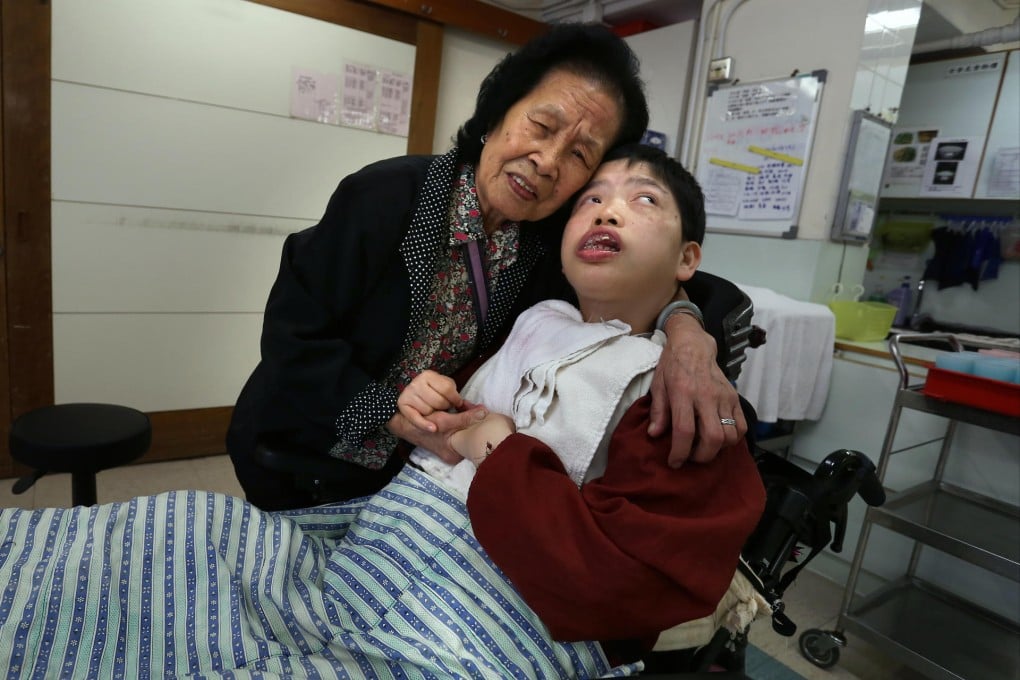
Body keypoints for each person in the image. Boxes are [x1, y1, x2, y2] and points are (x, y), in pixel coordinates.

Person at [0, 146, 764, 679]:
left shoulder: (670, 396)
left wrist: (685, 329)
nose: (603, 208)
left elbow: (621, 583)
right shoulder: (418, 218)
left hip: (472, 608)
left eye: (641, 199)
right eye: (592, 198)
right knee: (176, 534)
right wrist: (433, 410)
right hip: (350, 509)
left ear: (688, 256)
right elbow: (308, 353)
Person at [226, 22, 747, 511]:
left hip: (405, 478)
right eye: (541, 125)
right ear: (498, 112)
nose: (546, 161)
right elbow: (294, 338)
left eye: (579, 156)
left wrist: (687, 337)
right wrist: (388, 412)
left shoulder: (547, 247)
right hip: (300, 447)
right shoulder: (383, 197)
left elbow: (667, 276)